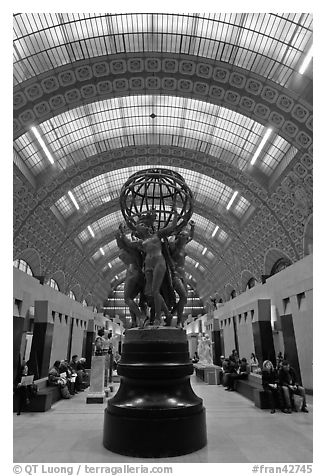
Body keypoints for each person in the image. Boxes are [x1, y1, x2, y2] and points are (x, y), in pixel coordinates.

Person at [118, 205, 178, 325]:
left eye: (145, 225)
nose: (145, 226)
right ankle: (167, 314)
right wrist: (122, 233)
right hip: (148, 266)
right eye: (142, 226)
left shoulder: (157, 235)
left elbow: (172, 227)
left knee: (155, 290)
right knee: (149, 293)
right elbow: (128, 244)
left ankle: (158, 318)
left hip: (159, 263)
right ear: (138, 231)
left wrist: (175, 214)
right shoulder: (140, 243)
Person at [116, 225, 146, 327]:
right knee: (131, 298)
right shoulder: (135, 246)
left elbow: (126, 243)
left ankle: (141, 317)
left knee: (127, 298)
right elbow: (122, 243)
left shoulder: (134, 246)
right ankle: (134, 322)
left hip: (133, 272)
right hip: (137, 273)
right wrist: (121, 234)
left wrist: (122, 233)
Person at [168, 220, 195, 327]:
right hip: (175, 275)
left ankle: (176, 318)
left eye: (186, 236)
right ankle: (177, 319)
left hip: (183, 275)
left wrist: (192, 227)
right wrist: (175, 232)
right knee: (183, 297)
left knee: (184, 299)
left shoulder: (183, 245)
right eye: (184, 236)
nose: (186, 238)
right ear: (179, 238)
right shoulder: (174, 246)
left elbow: (191, 237)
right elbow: (170, 242)